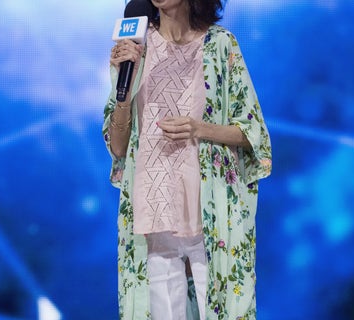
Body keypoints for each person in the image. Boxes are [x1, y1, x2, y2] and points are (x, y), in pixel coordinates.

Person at [102, 0, 272, 319]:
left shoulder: (221, 44)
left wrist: (199, 129)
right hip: (152, 210)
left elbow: (253, 131)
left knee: (223, 309)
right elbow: (119, 147)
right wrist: (123, 88)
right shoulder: (135, 47)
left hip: (210, 211)